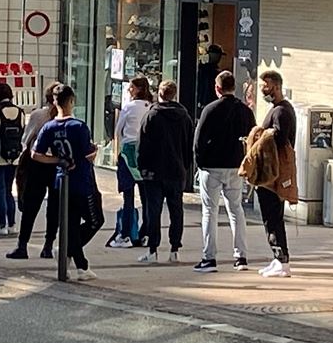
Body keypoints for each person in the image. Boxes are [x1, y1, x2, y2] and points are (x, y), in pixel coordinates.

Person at [32, 84, 103, 280]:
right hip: (82, 180)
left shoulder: (49, 127)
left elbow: (36, 154)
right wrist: (95, 150)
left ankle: (78, 262)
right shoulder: (78, 126)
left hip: (61, 180)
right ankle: (69, 250)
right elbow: (89, 154)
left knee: (70, 222)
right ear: (71, 101)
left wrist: (57, 160)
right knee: (95, 220)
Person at [193, 71, 256, 272]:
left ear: (217, 88)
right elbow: (253, 138)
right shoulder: (245, 111)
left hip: (212, 166)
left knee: (209, 211)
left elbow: (199, 139)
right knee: (236, 210)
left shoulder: (210, 109)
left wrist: (199, 163)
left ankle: (209, 258)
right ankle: (241, 257)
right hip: (236, 166)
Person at [135, 80, 192, 264]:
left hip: (154, 171)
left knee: (154, 211)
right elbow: (188, 145)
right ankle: (174, 249)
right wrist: (185, 166)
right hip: (176, 170)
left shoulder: (151, 115)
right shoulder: (184, 117)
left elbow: (142, 145)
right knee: (176, 210)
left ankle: (153, 249)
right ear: (174, 94)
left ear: (159, 93)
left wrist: (141, 166)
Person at [7, 81, 61, 259]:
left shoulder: (38, 115)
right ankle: (48, 245)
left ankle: (22, 245)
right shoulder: (65, 117)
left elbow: (26, 139)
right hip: (57, 166)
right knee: (54, 207)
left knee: (31, 206)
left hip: (37, 164)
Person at [256, 70, 299, 278]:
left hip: (273, 173)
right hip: (270, 172)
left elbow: (280, 141)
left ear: (276, 86)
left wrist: (262, 137)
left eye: (266, 86)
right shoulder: (277, 110)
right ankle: (277, 258)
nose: (263, 90)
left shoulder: (282, 112)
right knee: (270, 217)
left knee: (273, 216)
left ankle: (282, 259)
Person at [110, 76, 154, 249]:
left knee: (128, 197)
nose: (129, 90)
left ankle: (126, 234)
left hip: (128, 151)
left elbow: (118, 130)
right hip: (145, 152)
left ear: (138, 89)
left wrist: (117, 150)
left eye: (131, 87)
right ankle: (146, 233)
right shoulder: (150, 107)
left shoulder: (128, 107)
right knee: (147, 197)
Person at [0, 83, 24, 236]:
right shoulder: (20, 112)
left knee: (0, 191)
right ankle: (12, 224)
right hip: (14, 157)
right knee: (9, 191)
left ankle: (1, 225)